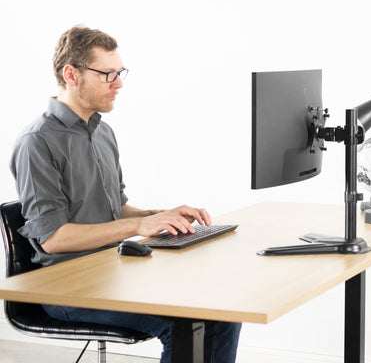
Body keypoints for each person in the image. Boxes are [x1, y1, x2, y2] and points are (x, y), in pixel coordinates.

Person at [10, 25, 241, 362]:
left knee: (223, 309)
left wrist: (159, 216)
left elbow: (117, 209)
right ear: (71, 74)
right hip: (64, 288)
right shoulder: (37, 142)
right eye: (107, 74)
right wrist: (136, 228)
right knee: (182, 322)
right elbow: (53, 239)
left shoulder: (103, 132)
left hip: (111, 271)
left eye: (119, 73)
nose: (118, 84)